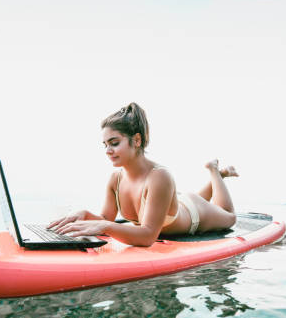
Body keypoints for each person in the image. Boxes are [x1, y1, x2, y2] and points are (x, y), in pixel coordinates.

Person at [48, 102, 238, 247]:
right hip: (172, 203)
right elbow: (106, 219)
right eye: (105, 145)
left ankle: (214, 170)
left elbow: (148, 236)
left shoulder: (160, 176)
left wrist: (105, 228)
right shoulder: (116, 179)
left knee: (230, 217)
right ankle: (216, 174)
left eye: (114, 143)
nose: (107, 150)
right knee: (189, 198)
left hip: (195, 212)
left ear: (137, 140)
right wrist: (86, 215)